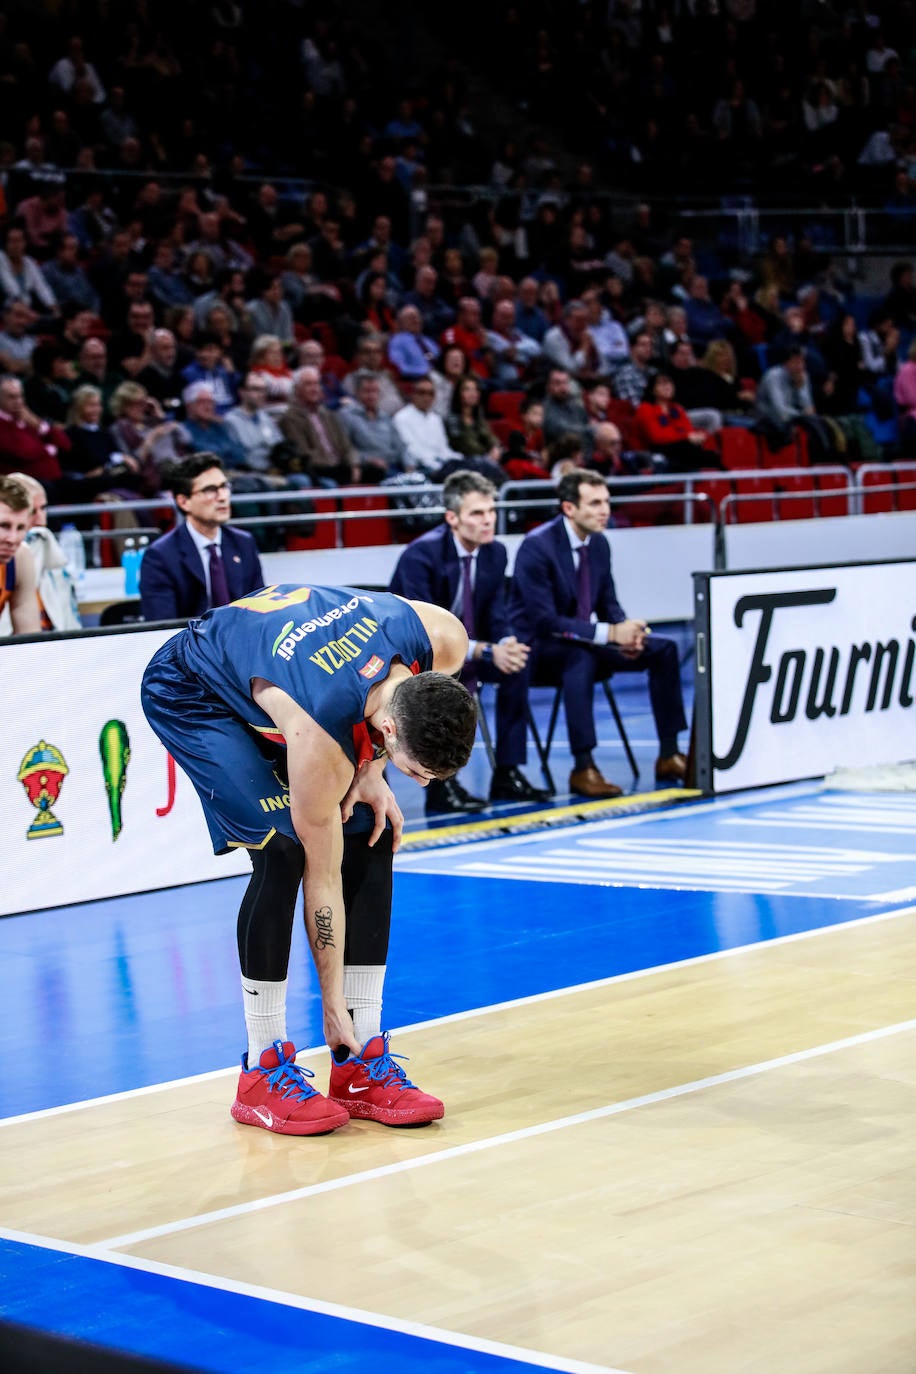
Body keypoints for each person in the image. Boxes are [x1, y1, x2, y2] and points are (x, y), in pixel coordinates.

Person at [140, 582, 477, 1133]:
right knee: (284, 852)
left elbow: (393, 712)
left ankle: (360, 1063)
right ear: (390, 728)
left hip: (288, 668)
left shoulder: (444, 637)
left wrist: (374, 769)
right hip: (194, 690)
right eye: (416, 772)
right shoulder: (321, 733)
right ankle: (262, 1070)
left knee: (370, 827)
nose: (420, 784)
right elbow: (322, 881)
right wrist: (330, 1006)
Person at [509, 470, 688, 797]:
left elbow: (609, 604)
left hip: (583, 641)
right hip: (539, 650)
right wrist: (610, 633)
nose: (605, 510)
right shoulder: (537, 546)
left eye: (606, 502)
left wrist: (629, 633)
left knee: (663, 649)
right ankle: (583, 767)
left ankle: (669, 753)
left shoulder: (599, 544)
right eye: (594, 503)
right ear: (569, 508)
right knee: (580, 656)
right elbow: (545, 621)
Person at [389, 470, 549, 813]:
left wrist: (506, 644)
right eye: (477, 513)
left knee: (517, 667)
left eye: (491, 511)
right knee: (442, 681)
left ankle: (507, 773)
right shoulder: (421, 555)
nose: (488, 520)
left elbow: (496, 612)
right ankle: (440, 786)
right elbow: (422, 629)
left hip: (470, 650)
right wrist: (486, 650)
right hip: (420, 656)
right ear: (453, 518)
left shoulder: (495, 553)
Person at [139, 453, 265, 621]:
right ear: (184, 502)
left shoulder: (243, 543)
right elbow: (161, 626)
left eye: (224, 486)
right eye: (210, 490)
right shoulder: (160, 556)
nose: (223, 497)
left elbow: (259, 611)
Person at [6, 470, 81, 630]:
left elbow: (70, 622)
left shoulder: (49, 550)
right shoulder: (15, 558)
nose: (40, 520)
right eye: (32, 511)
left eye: (43, 508)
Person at [0, 474, 40, 636]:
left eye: (21, 528)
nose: (13, 539)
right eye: (4, 525)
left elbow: (30, 639)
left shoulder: (20, 557)